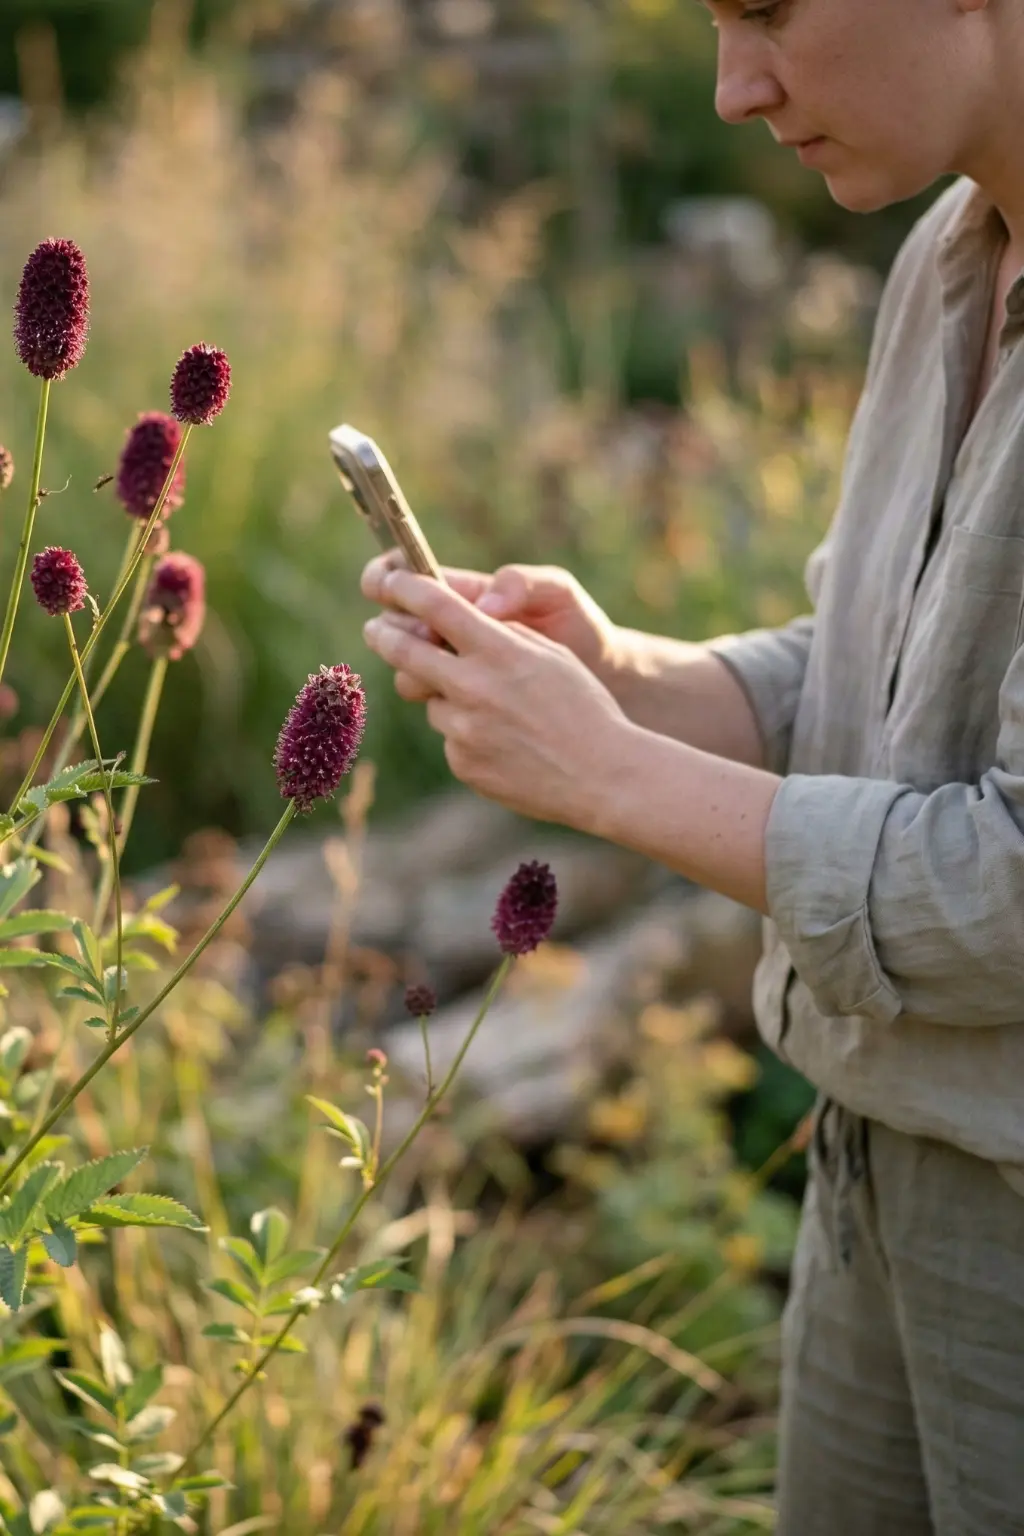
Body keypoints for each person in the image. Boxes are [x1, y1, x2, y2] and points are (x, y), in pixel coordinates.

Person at [361, 1, 1024, 1529]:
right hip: (873, 1175)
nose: (736, 88)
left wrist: (612, 779)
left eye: (772, 10)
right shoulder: (945, 256)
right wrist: (628, 677)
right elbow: (878, 683)